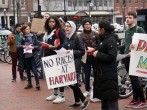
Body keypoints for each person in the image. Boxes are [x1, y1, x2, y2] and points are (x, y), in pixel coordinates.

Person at [119, 11, 147, 109]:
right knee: (132, 80)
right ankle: (135, 99)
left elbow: (145, 44)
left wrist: (135, 48)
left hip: (135, 59)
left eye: (130, 17)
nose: (127, 19)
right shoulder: (127, 31)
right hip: (127, 58)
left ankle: (142, 100)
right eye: (126, 17)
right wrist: (117, 48)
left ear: (134, 19)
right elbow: (125, 46)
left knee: (135, 80)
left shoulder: (139, 29)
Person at [93, 20, 119, 110]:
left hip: (108, 74)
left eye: (98, 28)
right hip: (103, 74)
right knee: (105, 98)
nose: (97, 30)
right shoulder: (104, 39)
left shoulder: (110, 40)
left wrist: (98, 54)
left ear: (103, 29)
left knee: (110, 99)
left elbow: (112, 56)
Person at [63, 21, 89, 110]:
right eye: (65, 26)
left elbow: (82, 51)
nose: (66, 28)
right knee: (71, 82)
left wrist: (71, 52)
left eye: (68, 26)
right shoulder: (66, 37)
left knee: (72, 82)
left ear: (73, 28)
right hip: (67, 63)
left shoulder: (78, 37)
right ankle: (77, 101)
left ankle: (84, 99)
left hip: (75, 63)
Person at [43, 16, 66, 104]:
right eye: (49, 22)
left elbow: (64, 43)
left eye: (53, 21)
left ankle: (62, 95)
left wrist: (55, 47)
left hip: (57, 56)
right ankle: (55, 94)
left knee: (59, 76)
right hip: (49, 56)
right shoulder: (47, 32)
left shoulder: (59, 31)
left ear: (56, 22)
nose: (51, 23)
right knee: (52, 76)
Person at [80, 18, 100, 102]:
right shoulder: (80, 35)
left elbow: (99, 44)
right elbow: (80, 45)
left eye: (89, 24)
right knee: (86, 75)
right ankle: (87, 90)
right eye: (86, 24)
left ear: (91, 25)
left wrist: (95, 50)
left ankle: (96, 90)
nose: (87, 26)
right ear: (83, 25)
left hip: (95, 57)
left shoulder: (96, 33)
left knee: (96, 74)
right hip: (86, 57)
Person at [19, 24, 41, 90]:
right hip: (25, 56)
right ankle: (29, 84)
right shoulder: (22, 38)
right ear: (23, 30)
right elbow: (18, 45)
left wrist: (33, 47)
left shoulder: (33, 36)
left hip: (33, 56)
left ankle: (37, 84)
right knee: (27, 70)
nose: (29, 30)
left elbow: (38, 46)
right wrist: (23, 46)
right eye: (27, 29)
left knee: (34, 70)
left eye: (29, 29)